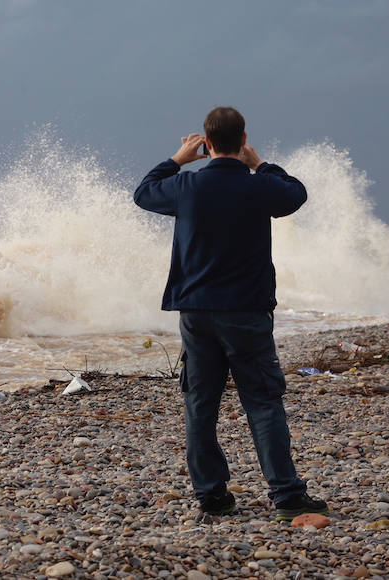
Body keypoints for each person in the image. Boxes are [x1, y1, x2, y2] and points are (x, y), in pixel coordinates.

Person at [133, 106, 328, 520]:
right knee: (262, 402)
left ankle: (212, 495)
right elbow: (296, 193)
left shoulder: (186, 186)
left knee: (201, 403)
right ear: (242, 140)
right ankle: (286, 494)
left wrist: (177, 158)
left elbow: (145, 192)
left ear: (206, 142)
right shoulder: (258, 186)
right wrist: (259, 163)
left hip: (197, 311)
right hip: (247, 311)